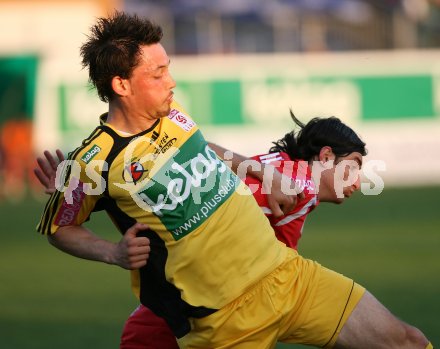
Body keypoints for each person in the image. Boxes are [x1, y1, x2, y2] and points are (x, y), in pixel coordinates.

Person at [35, 11, 432, 349]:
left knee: (408, 341)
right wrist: (112, 253)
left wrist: (259, 170)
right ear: (121, 85)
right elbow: (59, 228)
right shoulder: (93, 161)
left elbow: (203, 146)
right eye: (157, 73)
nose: (170, 81)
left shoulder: (172, 115)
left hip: (288, 276)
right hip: (225, 323)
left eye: (168, 67)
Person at [34, 112, 365, 349]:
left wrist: (79, 190)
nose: (359, 181)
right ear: (326, 156)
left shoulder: (279, 169)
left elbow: (204, 161)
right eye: (353, 165)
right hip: (201, 305)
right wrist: (78, 190)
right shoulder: (301, 185)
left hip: (185, 301)